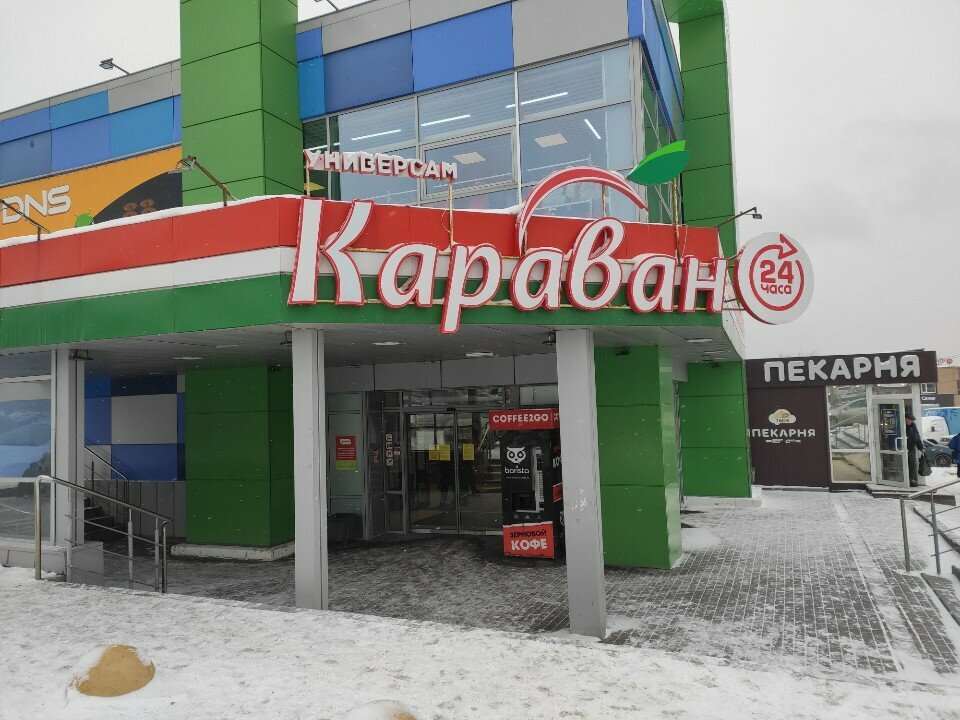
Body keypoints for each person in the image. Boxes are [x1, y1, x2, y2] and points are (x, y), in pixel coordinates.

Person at [905, 412, 925, 487]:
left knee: (912, 464)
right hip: (900, 450)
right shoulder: (900, 426)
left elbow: (917, 438)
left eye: (912, 420)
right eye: (910, 420)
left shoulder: (912, 427)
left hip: (910, 449)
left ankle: (912, 481)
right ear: (905, 419)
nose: (912, 421)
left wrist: (921, 447)